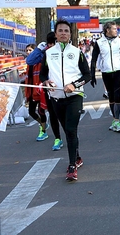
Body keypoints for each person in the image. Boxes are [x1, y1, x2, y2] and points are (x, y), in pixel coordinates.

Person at [39, 19, 91, 181]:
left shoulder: (77, 52)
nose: (63, 33)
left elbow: (87, 75)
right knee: (67, 130)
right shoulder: (48, 53)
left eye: (66, 31)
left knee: (70, 129)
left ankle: (71, 166)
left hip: (75, 97)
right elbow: (42, 74)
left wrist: (74, 85)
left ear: (70, 34)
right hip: (56, 98)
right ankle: (77, 157)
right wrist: (46, 82)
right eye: (60, 31)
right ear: (56, 34)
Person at [26, 32, 63, 151]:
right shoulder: (44, 53)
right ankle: (56, 137)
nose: (51, 46)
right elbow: (29, 61)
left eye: (53, 43)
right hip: (44, 88)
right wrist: (38, 49)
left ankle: (70, 133)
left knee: (63, 114)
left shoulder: (64, 51)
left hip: (63, 87)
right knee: (48, 113)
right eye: (49, 44)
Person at [90, 22, 120, 133]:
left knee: (117, 96)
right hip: (106, 72)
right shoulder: (99, 42)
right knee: (111, 96)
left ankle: (117, 121)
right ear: (107, 30)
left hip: (118, 71)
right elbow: (94, 59)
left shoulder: (118, 41)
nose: (116, 31)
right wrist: (92, 75)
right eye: (114, 29)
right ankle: (114, 121)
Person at [25, 43, 49, 142]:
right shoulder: (28, 64)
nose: (28, 52)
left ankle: (43, 131)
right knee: (31, 111)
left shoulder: (39, 61)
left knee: (41, 111)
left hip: (40, 90)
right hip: (31, 90)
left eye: (30, 50)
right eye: (27, 50)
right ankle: (42, 124)